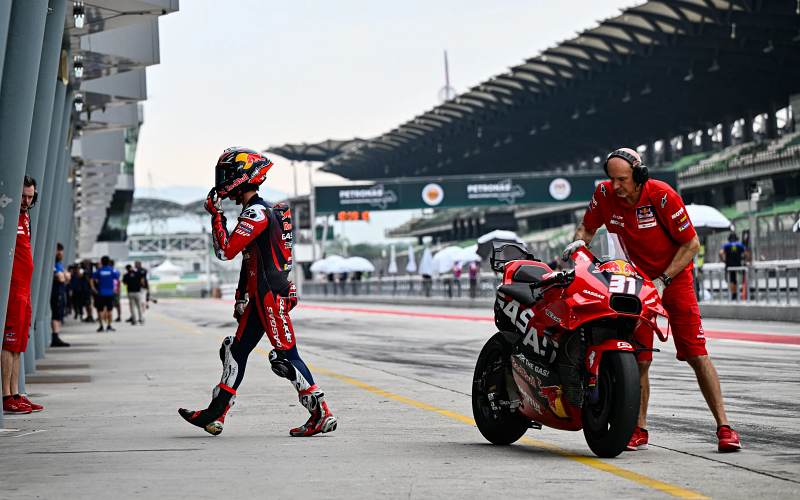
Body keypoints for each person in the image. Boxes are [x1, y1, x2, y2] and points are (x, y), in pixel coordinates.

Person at [563, 147, 741, 453]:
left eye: (622, 179)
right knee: (638, 361)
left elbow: (691, 245)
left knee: (697, 354)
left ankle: (725, 427)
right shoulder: (604, 195)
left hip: (676, 280)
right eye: (611, 179)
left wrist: (664, 281)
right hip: (637, 283)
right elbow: (588, 228)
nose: (615, 186)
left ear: (639, 176)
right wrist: (578, 247)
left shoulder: (661, 196)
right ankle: (638, 429)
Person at [179, 147, 337, 437]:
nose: (223, 181)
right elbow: (249, 260)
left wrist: (216, 216)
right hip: (261, 297)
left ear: (243, 176)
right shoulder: (260, 211)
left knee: (285, 357)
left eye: (227, 174)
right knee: (235, 350)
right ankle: (216, 413)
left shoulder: (257, 212)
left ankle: (321, 412)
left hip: (268, 297)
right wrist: (241, 296)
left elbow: (226, 251)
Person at [2, 176, 44, 414]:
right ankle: (6, 396)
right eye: (23, 196)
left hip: (24, 289)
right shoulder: (9, 215)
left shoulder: (25, 216)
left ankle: (17, 392)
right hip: (13, 288)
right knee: (9, 342)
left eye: (30, 196)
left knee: (18, 343)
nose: (27, 201)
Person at [91, 256, 119, 332]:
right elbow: (117, 279)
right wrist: (115, 289)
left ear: (101, 262)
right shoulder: (112, 270)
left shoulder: (99, 271)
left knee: (100, 310)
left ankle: (101, 326)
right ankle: (109, 326)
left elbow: (92, 279)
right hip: (110, 293)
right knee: (110, 310)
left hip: (100, 293)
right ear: (109, 262)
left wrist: (94, 289)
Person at [50, 243, 70, 347]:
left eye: (61, 250)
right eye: (59, 250)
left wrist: (64, 276)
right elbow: (62, 277)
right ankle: (55, 336)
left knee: (59, 314)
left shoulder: (59, 264)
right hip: (55, 292)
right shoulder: (52, 263)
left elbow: (66, 277)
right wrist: (63, 276)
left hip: (60, 291)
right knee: (56, 314)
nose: (61, 253)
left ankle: (56, 335)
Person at [719, 232, 748, 300]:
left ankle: (734, 294)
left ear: (729, 239)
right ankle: (739, 292)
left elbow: (721, 253)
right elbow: (746, 253)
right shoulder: (740, 245)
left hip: (729, 265)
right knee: (738, 279)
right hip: (738, 265)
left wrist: (723, 260)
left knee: (731, 280)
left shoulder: (726, 245)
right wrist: (745, 259)